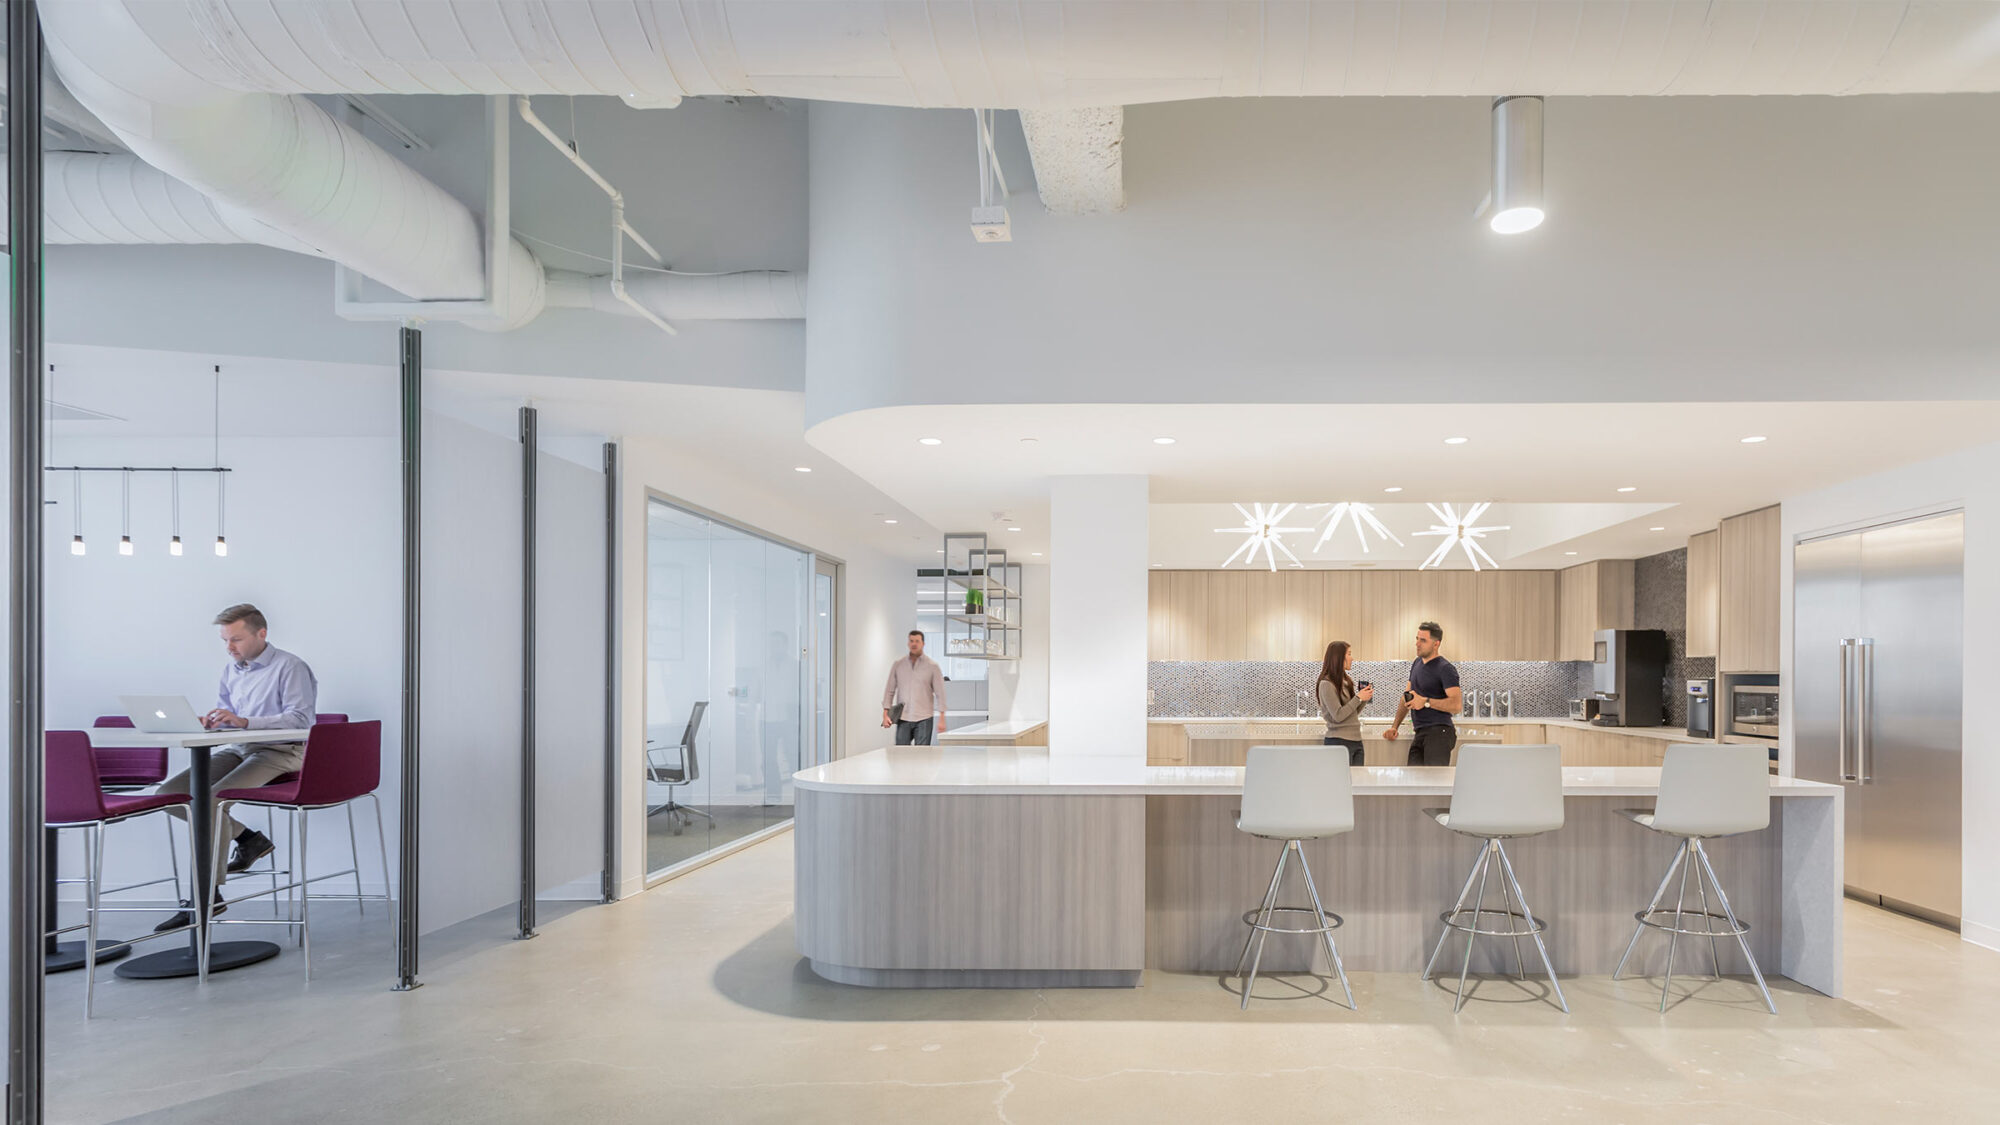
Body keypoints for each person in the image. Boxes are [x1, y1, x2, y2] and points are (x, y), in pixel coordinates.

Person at [153, 603, 318, 930]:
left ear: (262, 634)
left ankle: (207, 894)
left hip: (282, 751)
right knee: (170, 795)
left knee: (212, 801)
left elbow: (301, 719)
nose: (229, 647)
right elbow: (230, 716)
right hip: (240, 747)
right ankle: (248, 839)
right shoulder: (232, 669)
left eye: (236, 639)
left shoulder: (290, 667)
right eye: (225, 640)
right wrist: (214, 722)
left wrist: (244, 721)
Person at [1382, 621, 1461, 767]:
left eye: (1423, 640)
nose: (1417, 644)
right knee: (1414, 783)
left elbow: (1456, 705)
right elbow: (1407, 696)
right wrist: (1395, 726)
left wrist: (1426, 702)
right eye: (1417, 639)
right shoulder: (1417, 664)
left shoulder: (1445, 669)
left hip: (1440, 732)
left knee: (1434, 785)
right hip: (1420, 732)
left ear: (1436, 644)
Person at [881, 629, 947, 745]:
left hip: (924, 718)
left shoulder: (932, 666)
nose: (914, 644)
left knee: (922, 755)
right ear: (908, 643)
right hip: (903, 717)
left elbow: (940, 693)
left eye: (917, 641)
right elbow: (889, 690)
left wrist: (942, 718)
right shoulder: (898, 664)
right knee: (901, 754)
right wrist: (885, 714)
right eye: (911, 641)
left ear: (923, 644)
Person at [1316, 640, 1372, 766]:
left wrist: (1363, 698)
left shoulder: (1346, 682)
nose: (1352, 658)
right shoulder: (1326, 684)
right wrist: (1358, 698)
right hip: (1338, 742)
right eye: (1349, 654)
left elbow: (1352, 713)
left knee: (1357, 783)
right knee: (1340, 784)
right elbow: (1338, 715)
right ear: (1339, 657)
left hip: (1356, 741)